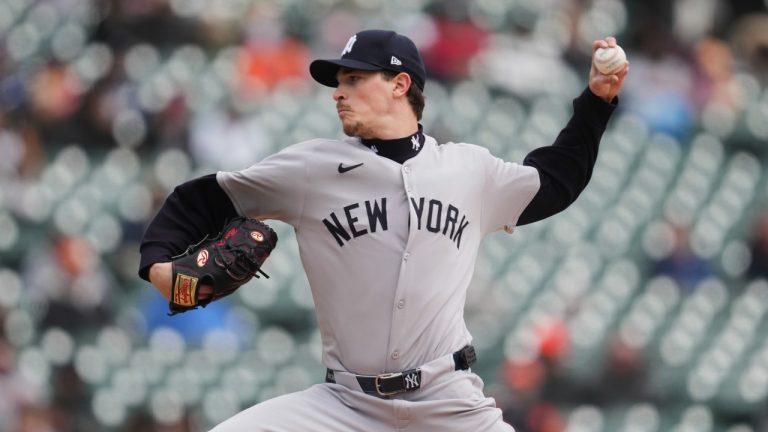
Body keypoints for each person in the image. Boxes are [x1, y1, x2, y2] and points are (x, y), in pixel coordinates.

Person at [139, 29, 628, 431]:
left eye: (353, 79)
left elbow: (556, 180)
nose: (338, 92)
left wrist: (596, 103)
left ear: (399, 84)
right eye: (339, 81)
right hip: (343, 407)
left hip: (448, 403)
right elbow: (198, 200)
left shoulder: (468, 170)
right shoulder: (311, 168)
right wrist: (160, 270)